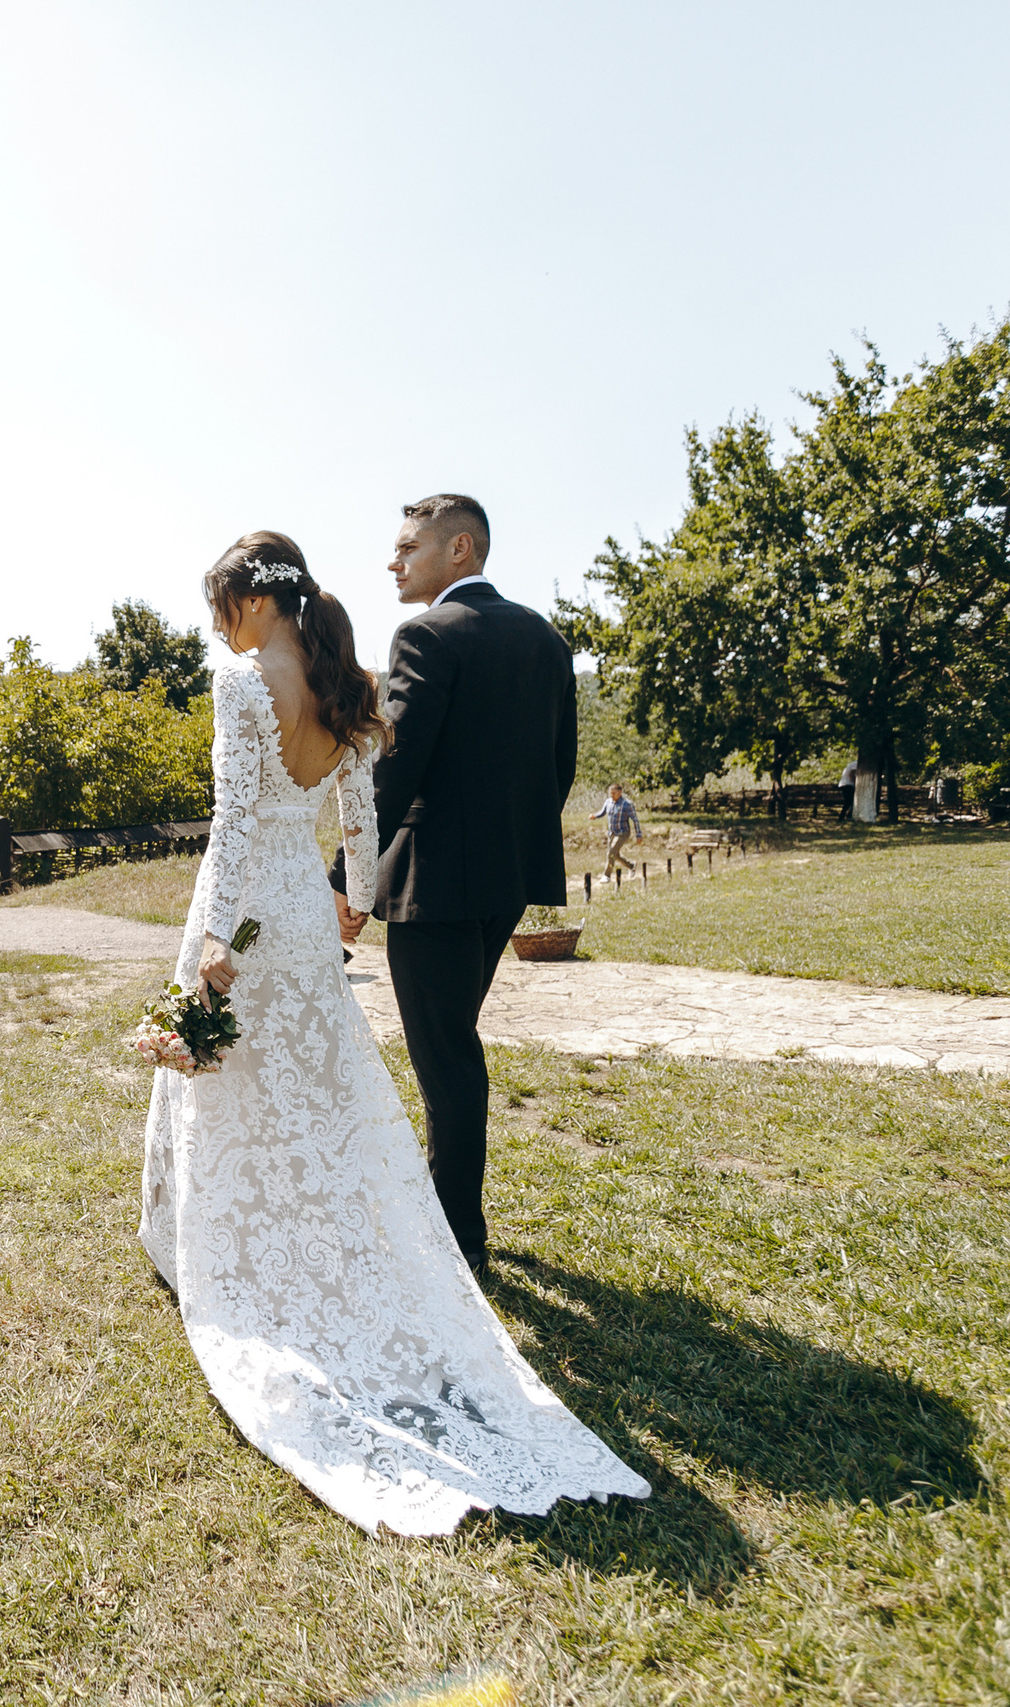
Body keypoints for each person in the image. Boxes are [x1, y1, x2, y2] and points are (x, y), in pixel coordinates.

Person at [140, 528, 646, 1538]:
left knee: (231, 1067)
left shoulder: (241, 684)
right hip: (303, 904)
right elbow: (359, 812)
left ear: (253, 600)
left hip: (246, 904)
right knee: (315, 1078)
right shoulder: (346, 682)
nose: (216, 626)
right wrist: (357, 902)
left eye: (219, 605)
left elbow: (233, 821)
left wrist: (217, 937)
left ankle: (219, 1242)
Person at [328, 495, 573, 1271]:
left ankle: (457, 1240)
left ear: (460, 548)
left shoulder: (426, 634)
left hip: (433, 883)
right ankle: (451, 1223)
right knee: (452, 1045)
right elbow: (559, 764)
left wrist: (346, 878)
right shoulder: (545, 637)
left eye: (408, 547)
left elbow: (395, 769)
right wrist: (512, 845)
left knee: (447, 1060)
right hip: (507, 880)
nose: (393, 562)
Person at [591, 782, 641, 876]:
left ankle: (606, 875)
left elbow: (635, 820)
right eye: (610, 793)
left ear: (620, 792)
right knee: (615, 855)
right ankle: (631, 865)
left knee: (611, 852)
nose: (612, 795)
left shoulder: (627, 804)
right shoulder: (608, 802)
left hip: (623, 832)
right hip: (612, 833)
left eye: (614, 793)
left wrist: (638, 834)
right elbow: (602, 812)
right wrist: (595, 816)